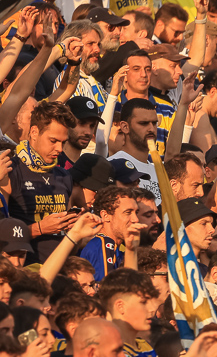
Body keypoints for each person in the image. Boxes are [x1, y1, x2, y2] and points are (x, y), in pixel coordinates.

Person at [3, 102, 77, 262]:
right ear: (34, 132)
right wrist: (40, 229)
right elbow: (2, 235)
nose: (59, 149)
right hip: (25, 272)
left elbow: (67, 233)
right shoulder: (9, 170)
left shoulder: (64, 175)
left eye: (63, 142)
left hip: (61, 272)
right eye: (53, 141)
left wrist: (77, 228)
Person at [79, 186, 141, 281]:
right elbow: (107, 292)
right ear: (105, 215)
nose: (136, 219)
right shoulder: (105, 245)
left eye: (136, 212)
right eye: (128, 212)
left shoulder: (115, 247)